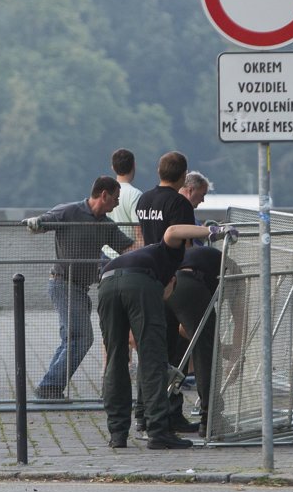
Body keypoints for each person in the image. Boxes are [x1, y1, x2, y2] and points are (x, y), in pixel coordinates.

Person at [99, 222, 239, 449]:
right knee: (153, 358)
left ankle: (117, 434)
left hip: (107, 281)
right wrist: (214, 231)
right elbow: (172, 231)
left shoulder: (145, 258)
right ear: (172, 282)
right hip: (139, 280)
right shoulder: (169, 255)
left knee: (116, 358)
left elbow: (132, 337)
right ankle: (159, 432)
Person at [24, 176, 134, 399]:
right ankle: (49, 386)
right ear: (103, 195)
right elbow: (42, 222)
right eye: (115, 198)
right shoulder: (69, 212)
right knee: (83, 338)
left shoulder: (106, 225)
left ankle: (50, 386)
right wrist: (34, 223)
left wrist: (153, 251)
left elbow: (128, 248)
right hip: (63, 283)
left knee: (71, 339)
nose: (116, 203)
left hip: (80, 288)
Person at [135, 151, 198, 433]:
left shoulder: (144, 200)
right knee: (173, 350)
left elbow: (141, 236)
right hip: (171, 279)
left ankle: (142, 411)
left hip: (147, 275)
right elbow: (185, 246)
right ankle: (171, 413)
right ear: (183, 176)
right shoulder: (179, 203)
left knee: (150, 348)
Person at [165, 245, 222, 437]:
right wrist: (231, 351)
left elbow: (184, 328)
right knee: (208, 352)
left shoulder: (208, 259)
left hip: (166, 280)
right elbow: (239, 318)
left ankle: (158, 416)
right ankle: (211, 418)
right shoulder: (237, 279)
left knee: (166, 350)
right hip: (189, 283)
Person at [108, 148, 143, 247]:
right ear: (134, 165)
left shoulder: (105, 192)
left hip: (106, 254)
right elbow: (138, 232)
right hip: (127, 253)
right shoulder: (135, 194)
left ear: (113, 168)